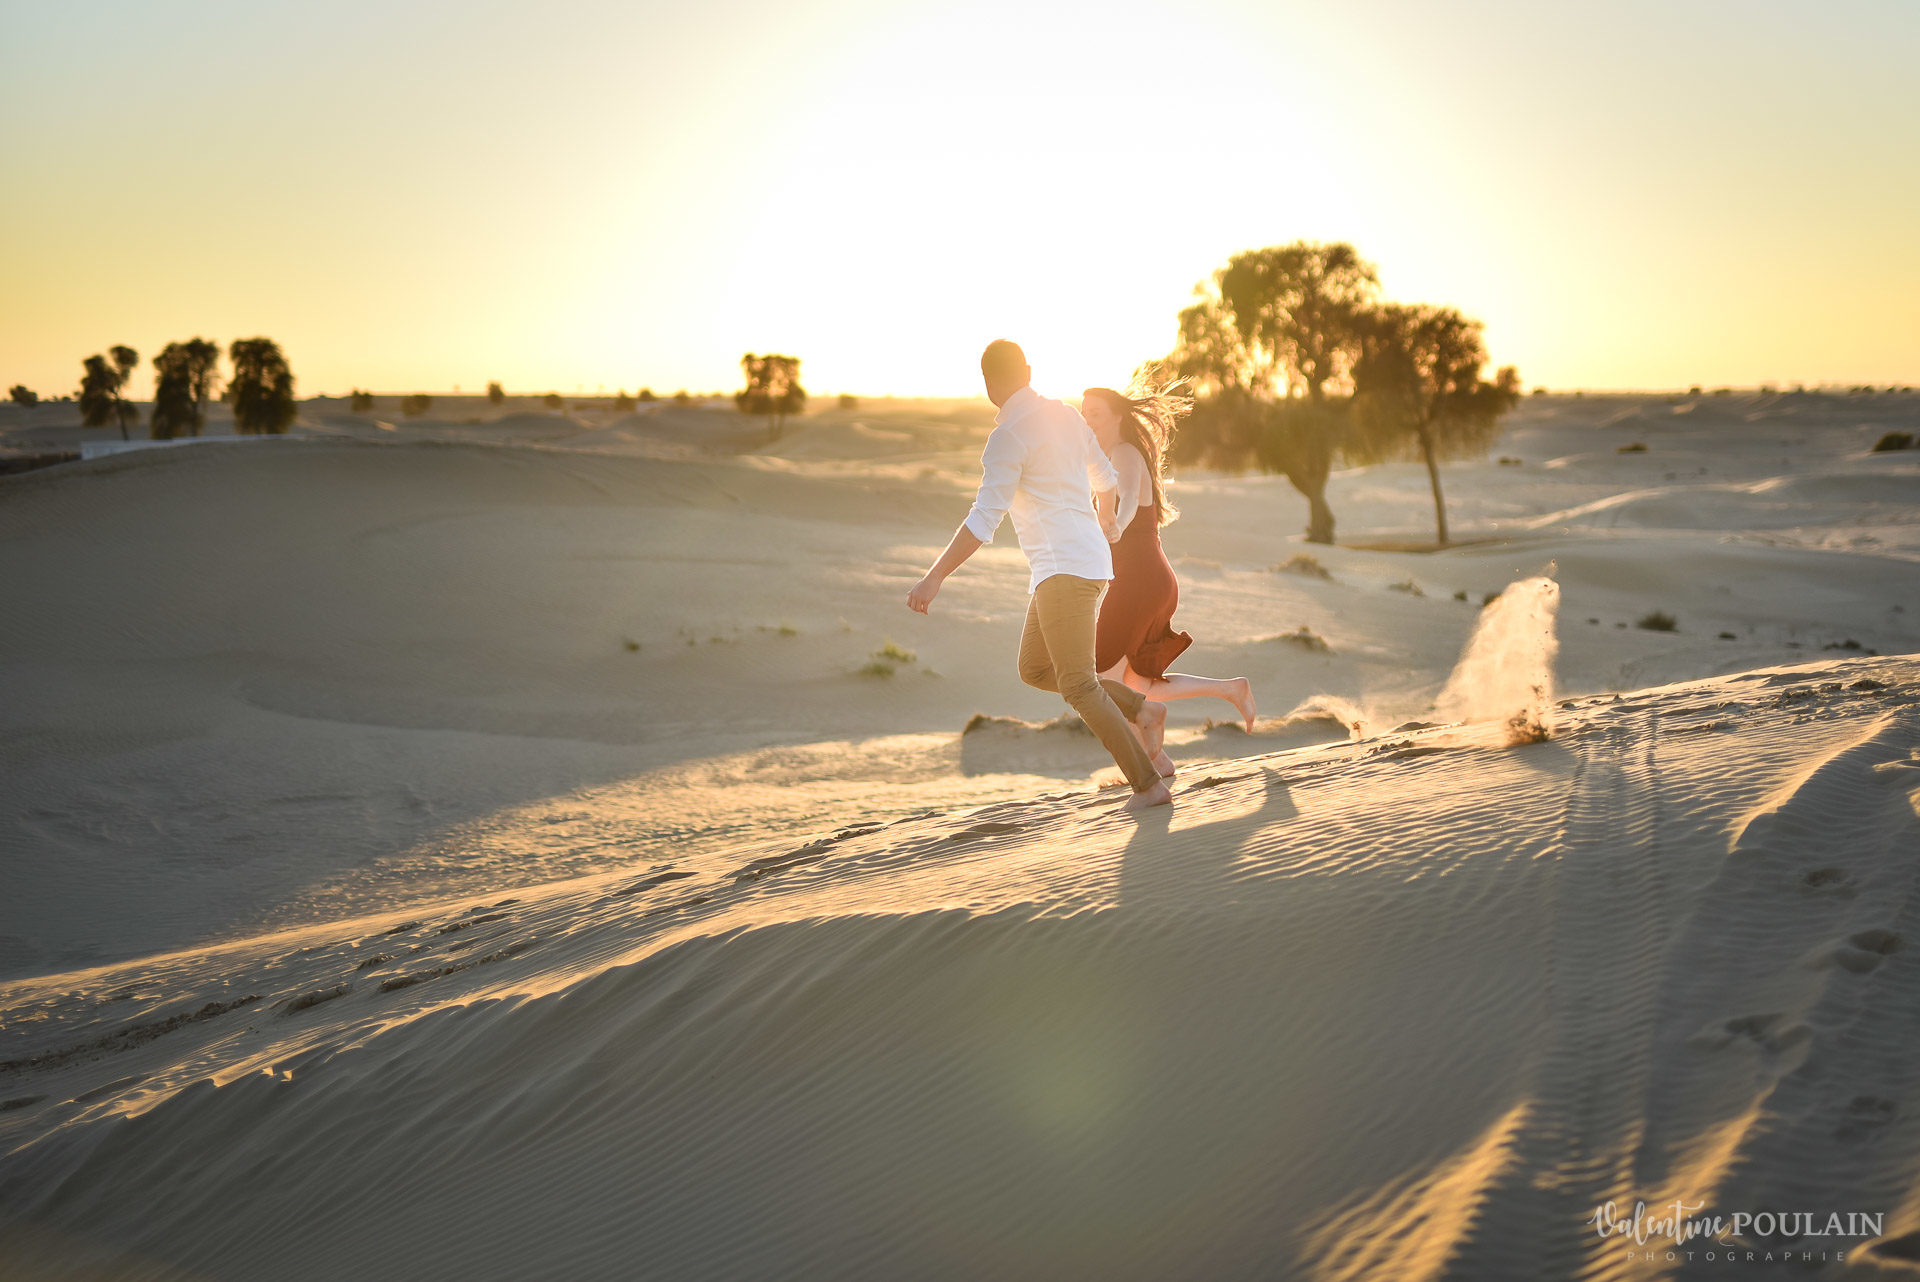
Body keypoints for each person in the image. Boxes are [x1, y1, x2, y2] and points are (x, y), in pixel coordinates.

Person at [907, 341, 1173, 811]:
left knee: (1078, 686)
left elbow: (983, 519)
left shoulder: (1008, 437)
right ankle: (1142, 708)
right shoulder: (1066, 416)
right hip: (1078, 565)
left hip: (1065, 570)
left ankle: (1148, 785)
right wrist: (1106, 522)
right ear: (1027, 371)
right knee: (1035, 669)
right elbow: (1106, 479)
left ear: (988, 384)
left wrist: (934, 577)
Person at [1080, 377, 1256, 750]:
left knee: (1102, 681)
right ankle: (1230, 690)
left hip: (1139, 583)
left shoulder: (1124, 453)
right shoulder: (1105, 460)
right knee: (1136, 684)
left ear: (1117, 417)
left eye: (1095, 413)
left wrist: (1117, 525)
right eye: (1084, 414)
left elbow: (1127, 499)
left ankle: (1148, 763)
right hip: (1148, 581)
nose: (1087, 420)